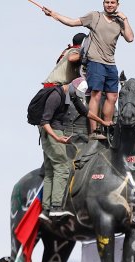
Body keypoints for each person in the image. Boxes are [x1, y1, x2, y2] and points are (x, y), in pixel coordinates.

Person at [42, 0, 134, 140]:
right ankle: (94, 131)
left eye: (112, 2)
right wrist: (53, 14)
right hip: (95, 62)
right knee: (95, 94)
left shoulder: (119, 22)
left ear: (117, 5)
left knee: (112, 96)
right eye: (107, 2)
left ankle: (107, 128)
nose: (109, 5)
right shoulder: (94, 17)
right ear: (103, 3)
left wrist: (125, 19)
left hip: (110, 63)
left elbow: (130, 38)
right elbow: (72, 22)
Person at [37, 77, 110, 221]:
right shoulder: (56, 96)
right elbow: (44, 121)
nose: (76, 97)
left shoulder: (72, 94)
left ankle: (46, 209)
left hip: (54, 131)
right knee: (63, 166)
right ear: (72, 87)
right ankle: (56, 207)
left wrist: (102, 122)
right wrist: (56, 138)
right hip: (51, 131)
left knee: (51, 169)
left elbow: (85, 112)